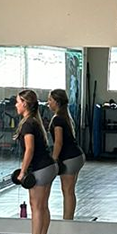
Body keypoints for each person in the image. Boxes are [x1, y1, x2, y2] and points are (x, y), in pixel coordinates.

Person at [13, 89, 58, 234]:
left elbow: (29, 150)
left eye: (18, 102)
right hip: (49, 167)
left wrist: (23, 172)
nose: (16, 105)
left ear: (25, 104)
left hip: (40, 168)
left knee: (36, 206)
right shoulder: (34, 121)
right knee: (43, 205)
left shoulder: (28, 124)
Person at [47, 88, 85, 220]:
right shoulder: (64, 117)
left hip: (70, 158)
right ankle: (68, 219)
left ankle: (67, 221)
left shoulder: (58, 119)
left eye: (50, 100)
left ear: (57, 102)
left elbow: (58, 142)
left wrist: (53, 160)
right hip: (77, 156)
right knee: (70, 191)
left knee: (67, 191)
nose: (48, 102)